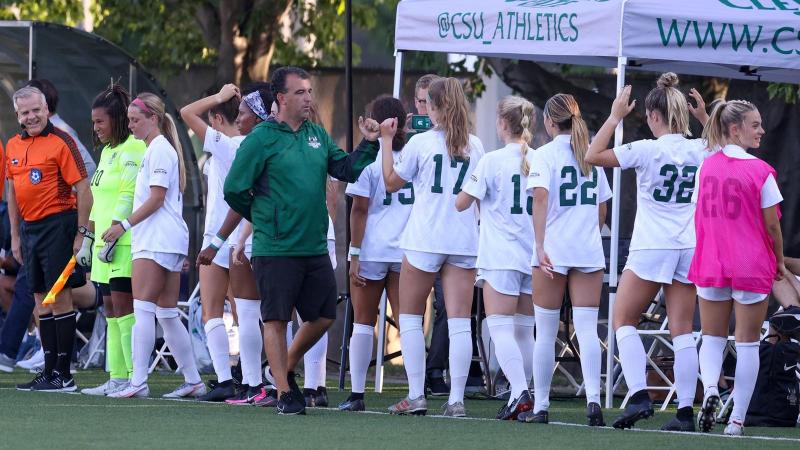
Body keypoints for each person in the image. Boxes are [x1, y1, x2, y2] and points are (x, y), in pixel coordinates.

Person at [224, 66, 382, 416]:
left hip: (313, 247)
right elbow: (233, 189)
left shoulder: (317, 136)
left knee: (324, 315)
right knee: (276, 319)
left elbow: (346, 169)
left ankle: (280, 366)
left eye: (309, 91)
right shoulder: (260, 139)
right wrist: (263, 216)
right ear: (280, 98)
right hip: (275, 247)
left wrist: (369, 143)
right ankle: (284, 391)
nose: (309, 98)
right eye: (300, 92)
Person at [585, 73, 710, 431]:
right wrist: (704, 118)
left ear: (654, 116)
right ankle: (685, 411)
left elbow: (593, 155)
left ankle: (640, 395)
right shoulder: (699, 149)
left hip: (651, 245)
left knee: (623, 320)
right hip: (688, 245)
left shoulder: (645, 148)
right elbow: (726, 148)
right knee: (683, 331)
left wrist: (614, 117)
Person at [381, 77, 484, 417]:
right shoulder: (476, 145)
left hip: (426, 238)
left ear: (435, 107)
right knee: (458, 322)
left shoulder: (422, 143)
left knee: (410, 317)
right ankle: (456, 401)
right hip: (463, 240)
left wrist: (385, 142)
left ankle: (415, 396)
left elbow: (392, 183)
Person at [690, 100, 787, 436]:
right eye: (755, 124)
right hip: (750, 264)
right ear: (735, 129)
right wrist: (778, 260)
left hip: (712, 260)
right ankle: (735, 421)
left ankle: (713, 391)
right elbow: (773, 227)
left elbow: (698, 213)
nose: (761, 130)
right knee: (747, 343)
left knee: (712, 339)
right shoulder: (761, 171)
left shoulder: (706, 167)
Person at [517, 93, 611, 426]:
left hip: (553, 250)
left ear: (549, 121)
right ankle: (594, 403)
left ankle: (541, 406)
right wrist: (587, 233)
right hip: (587, 251)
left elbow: (540, 199)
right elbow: (602, 208)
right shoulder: (590, 154)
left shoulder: (544, 155)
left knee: (545, 331)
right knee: (587, 330)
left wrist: (540, 244)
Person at [106, 92, 204, 399]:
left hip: (158, 240)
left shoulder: (160, 149)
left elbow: (157, 198)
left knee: (144, 309)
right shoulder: (157, 148)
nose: (131, 126)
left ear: (154, 119)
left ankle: (137, 382)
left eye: (136, 120)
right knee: (166, 313)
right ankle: (194, 381)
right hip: (166, 240)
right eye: (129, 120)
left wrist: (123, 225)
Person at [455, 95, 537, 420]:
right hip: (532, 254)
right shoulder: (539, 158)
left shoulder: (491, 160)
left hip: (501, 255)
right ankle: (524, 389)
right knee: (525, 329)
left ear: (503, 123)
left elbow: (461, 202)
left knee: (500, 328)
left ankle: (519, 391)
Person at [6, 86, 92, 392]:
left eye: (36, 110)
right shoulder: (13, 145)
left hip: (59, 226)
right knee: (40, 300)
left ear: (46, 110)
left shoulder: (62, 141)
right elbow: (13, 192)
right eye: (25, 112)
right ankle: (49, 370)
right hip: (30, 231)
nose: (31, 117)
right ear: (17, 115)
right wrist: (16, 234)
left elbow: (84, 189)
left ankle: (64, 374)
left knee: (59, 299)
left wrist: (82, 234)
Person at [197, 82, 277, 406]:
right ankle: (256, 384)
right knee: (247, 312)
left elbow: (243, 200)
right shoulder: (271, 142)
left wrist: (228, 240)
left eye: (244, 111)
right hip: (241, 236)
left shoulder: (239, 145)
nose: (239, 115)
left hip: (250, 237)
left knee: (252, 312)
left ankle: (258, 382)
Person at [337, 96, 412, 412]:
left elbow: (359, 210)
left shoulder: (368, 159)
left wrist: (354, 254)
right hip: (406, 250)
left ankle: (357, 395)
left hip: (371, 250)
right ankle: (416, 390)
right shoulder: (413, 154)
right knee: (408, 321)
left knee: (363, 323)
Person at [78, 84, 146, 396]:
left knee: (124, 308)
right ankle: (117, 377)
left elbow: (129, 195)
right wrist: (89, 239)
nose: (95, 128)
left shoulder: (135, 148)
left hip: (124, 241)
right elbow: (97, 201)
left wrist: (116, 232)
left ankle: (136, 379)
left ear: (117, 119)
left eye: (100, 122)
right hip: (104, 244)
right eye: (93, 122)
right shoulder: (106, 152)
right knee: (110, 311)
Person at [180, 84, 244, 401]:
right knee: (223, 310)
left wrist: (217, 97)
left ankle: (239, 379)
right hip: (224, 236)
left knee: (228, 310)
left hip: (228, 239)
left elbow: (185, 112)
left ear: (216, 118)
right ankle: (234, 380)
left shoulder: (227, 144)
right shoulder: (248, 143)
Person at [26, 79, 97, 178]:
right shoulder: (41, 130)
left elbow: (89, 167)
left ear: (43, 105)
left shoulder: (59, 131)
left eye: (28, 99)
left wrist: (72, 191)